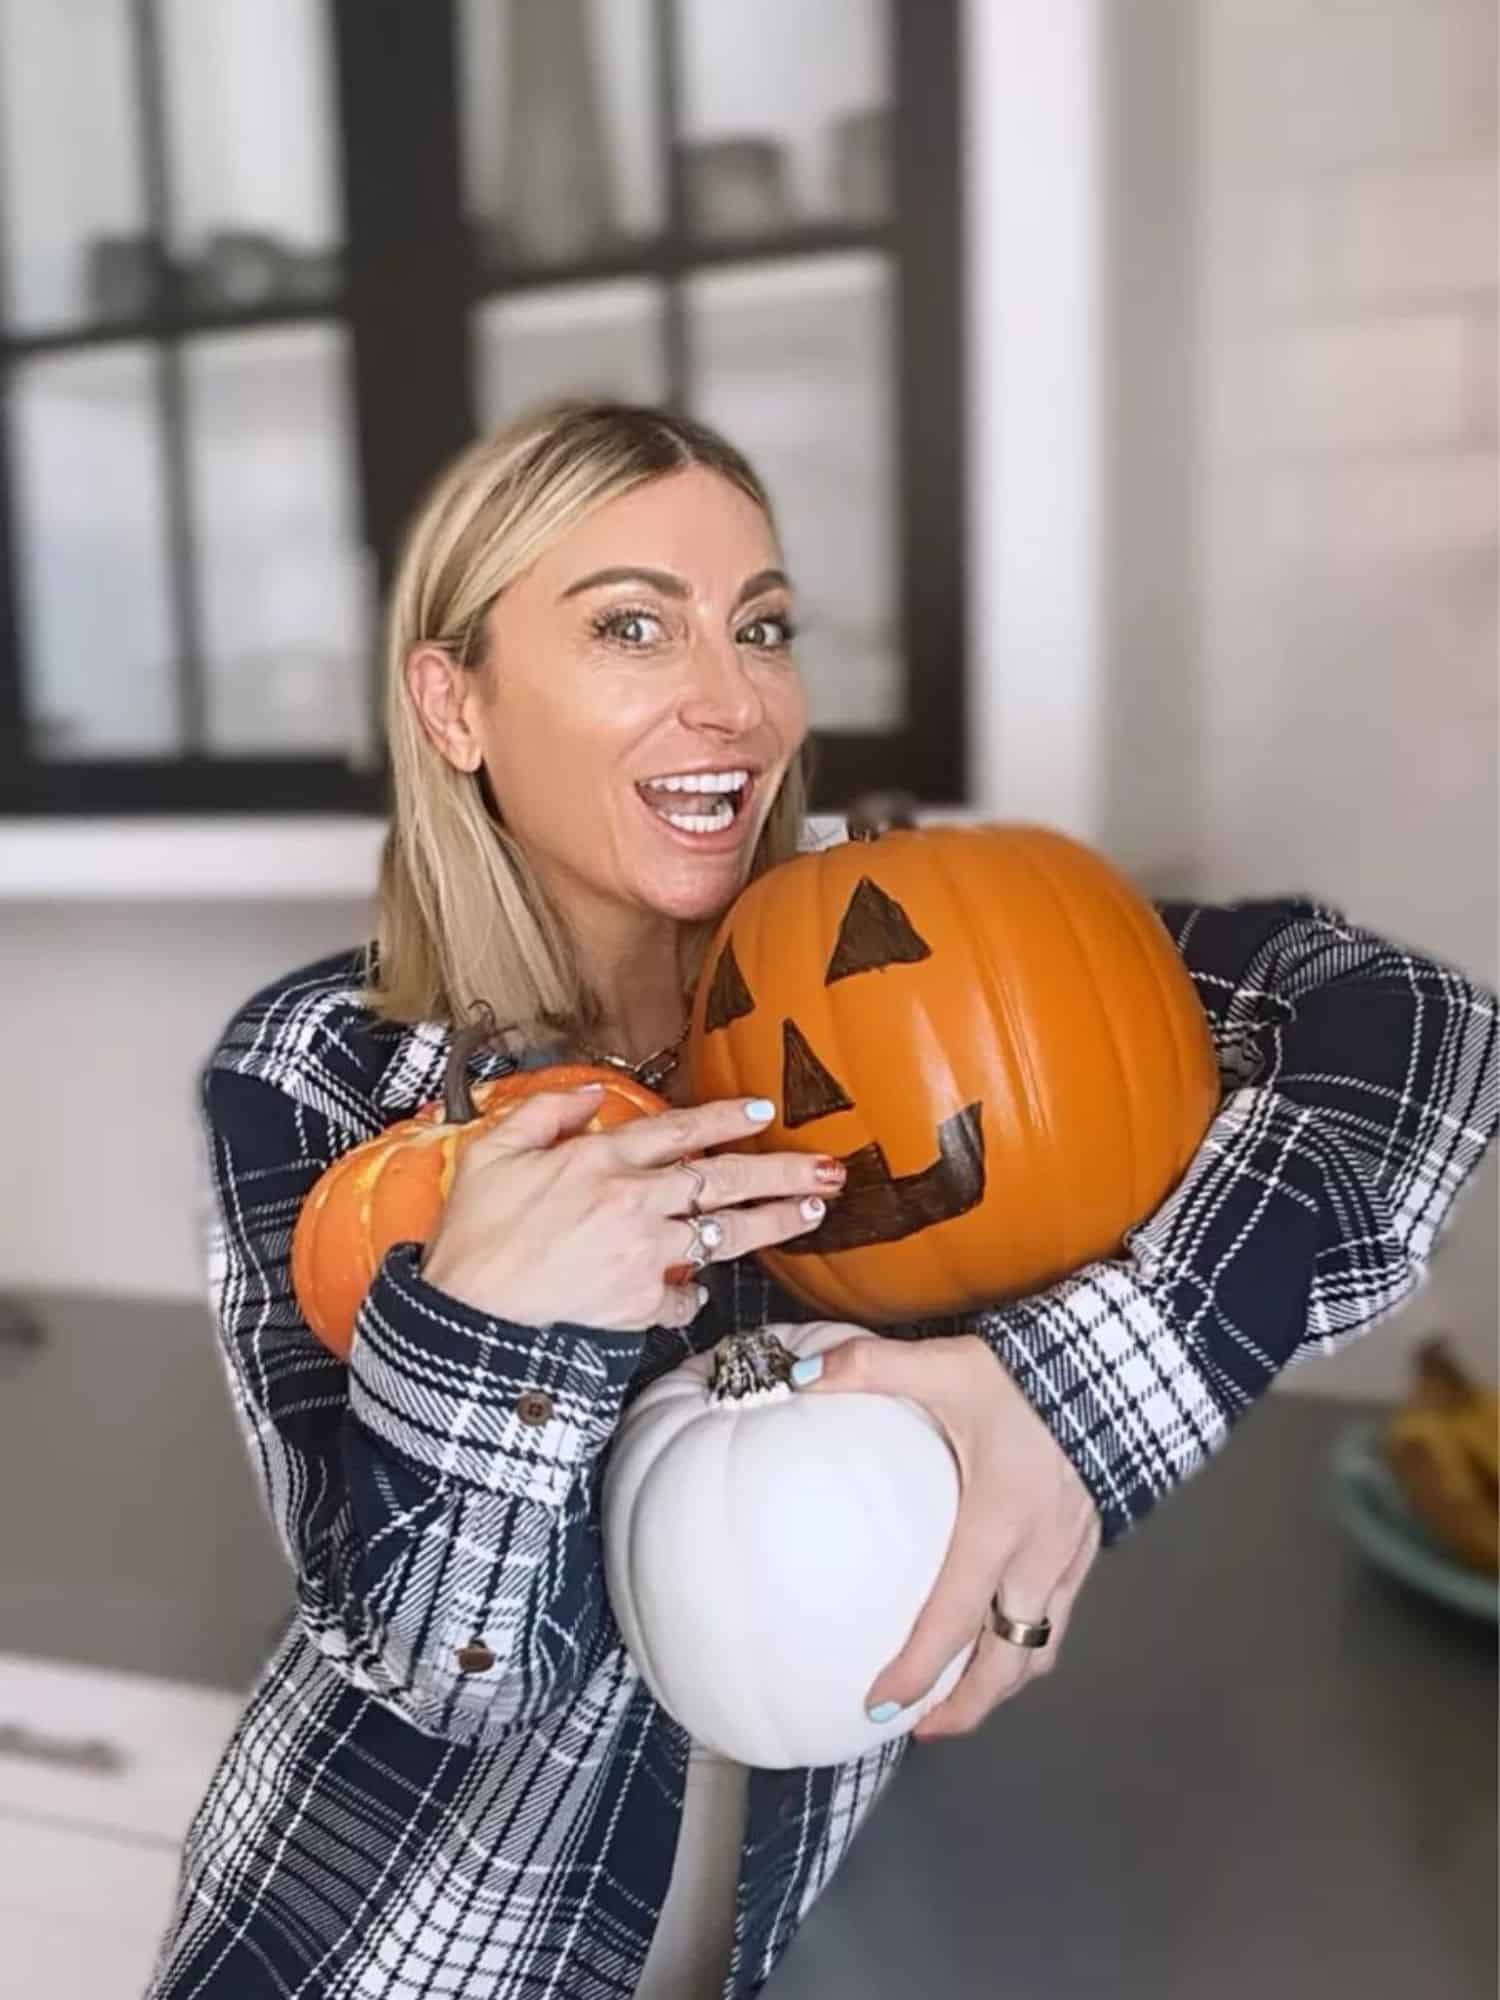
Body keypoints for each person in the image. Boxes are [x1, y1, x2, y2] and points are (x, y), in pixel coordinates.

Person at [148, 400, 1498, 2000]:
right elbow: (441, 1673)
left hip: (779, 1935)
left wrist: (1056, 1403)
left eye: (765, 627)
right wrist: (495, 1330)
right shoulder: (319, 1079)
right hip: (367, 1947)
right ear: (456, 703)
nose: (735, 703)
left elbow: (1422, 1035)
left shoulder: (934, 965)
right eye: (633, 628)